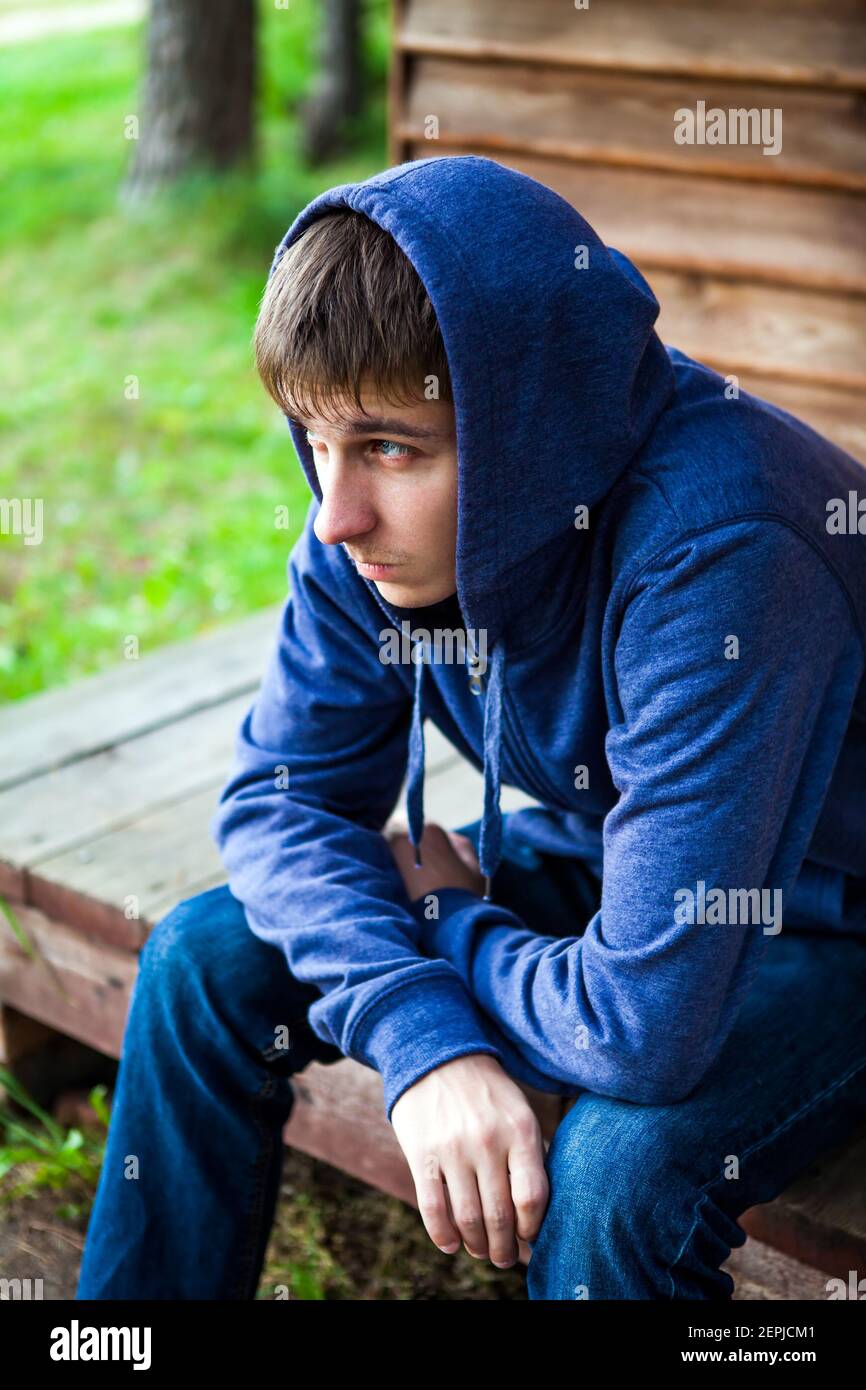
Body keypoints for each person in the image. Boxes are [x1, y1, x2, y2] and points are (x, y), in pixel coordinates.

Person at [77, 156, 866, 1301]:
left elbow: (639, 1029)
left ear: (522, 435)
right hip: (634, 859)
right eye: (313, 438)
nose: (336, 512)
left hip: (836, 917)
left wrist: (446, 914)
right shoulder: (355, 522)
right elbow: (281, 800)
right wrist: (420, 1037)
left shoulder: (721, 553)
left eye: (390, 447)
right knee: (202, 956)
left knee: (614, 1169)